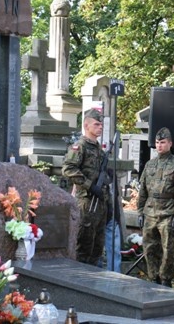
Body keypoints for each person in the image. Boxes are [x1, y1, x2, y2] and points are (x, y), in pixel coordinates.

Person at [136, 127, 174, 287]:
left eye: (163, 142)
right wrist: (140, 211)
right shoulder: (150, 164)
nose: (159, 145)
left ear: (170, 143)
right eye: (157, 142)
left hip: (168, 212)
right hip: (150, 212)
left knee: (168, 250)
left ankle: (166, 280)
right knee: (150, 248)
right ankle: (153, 278)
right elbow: (143, 190)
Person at [62, 108, 108, 266]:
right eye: (96, 124)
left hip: (100, 204)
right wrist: (90, 185)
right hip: (86, 201)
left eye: (101, 124)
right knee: (84, 245)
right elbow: (68, 169)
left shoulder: (100, 151)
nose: (100, 127)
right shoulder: (79, 147)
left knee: (97, 246)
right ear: (87, 125)